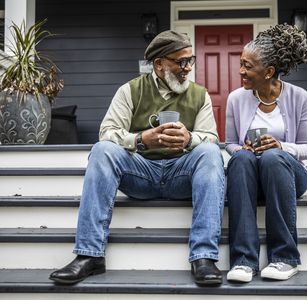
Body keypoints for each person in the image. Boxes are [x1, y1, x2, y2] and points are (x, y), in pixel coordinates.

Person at [49, 30, 225, 286]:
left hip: (181, 175)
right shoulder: (130, 91)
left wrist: (190, 139)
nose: (187, 68)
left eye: (190, 60)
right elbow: (106, 133)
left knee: (210, 152)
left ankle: (204, 257)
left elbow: (211, 137)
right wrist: (141, 139)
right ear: (159, 64)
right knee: (102, 150)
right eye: (180, 61)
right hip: (140, 175)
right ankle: (90, 255)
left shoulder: (200, 95)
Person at [224, 24, 307, 283]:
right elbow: (229, 143)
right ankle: (243, 261)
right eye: (241, 64)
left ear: (269, 72)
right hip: (252, 176)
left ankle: (285, 258)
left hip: (287, 175)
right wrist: (243, 148)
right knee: (240, 159)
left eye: (247, 66)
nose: (241, 71)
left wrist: (281, 146)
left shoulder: (299, 97)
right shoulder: (235, 99)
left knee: (274, 158)